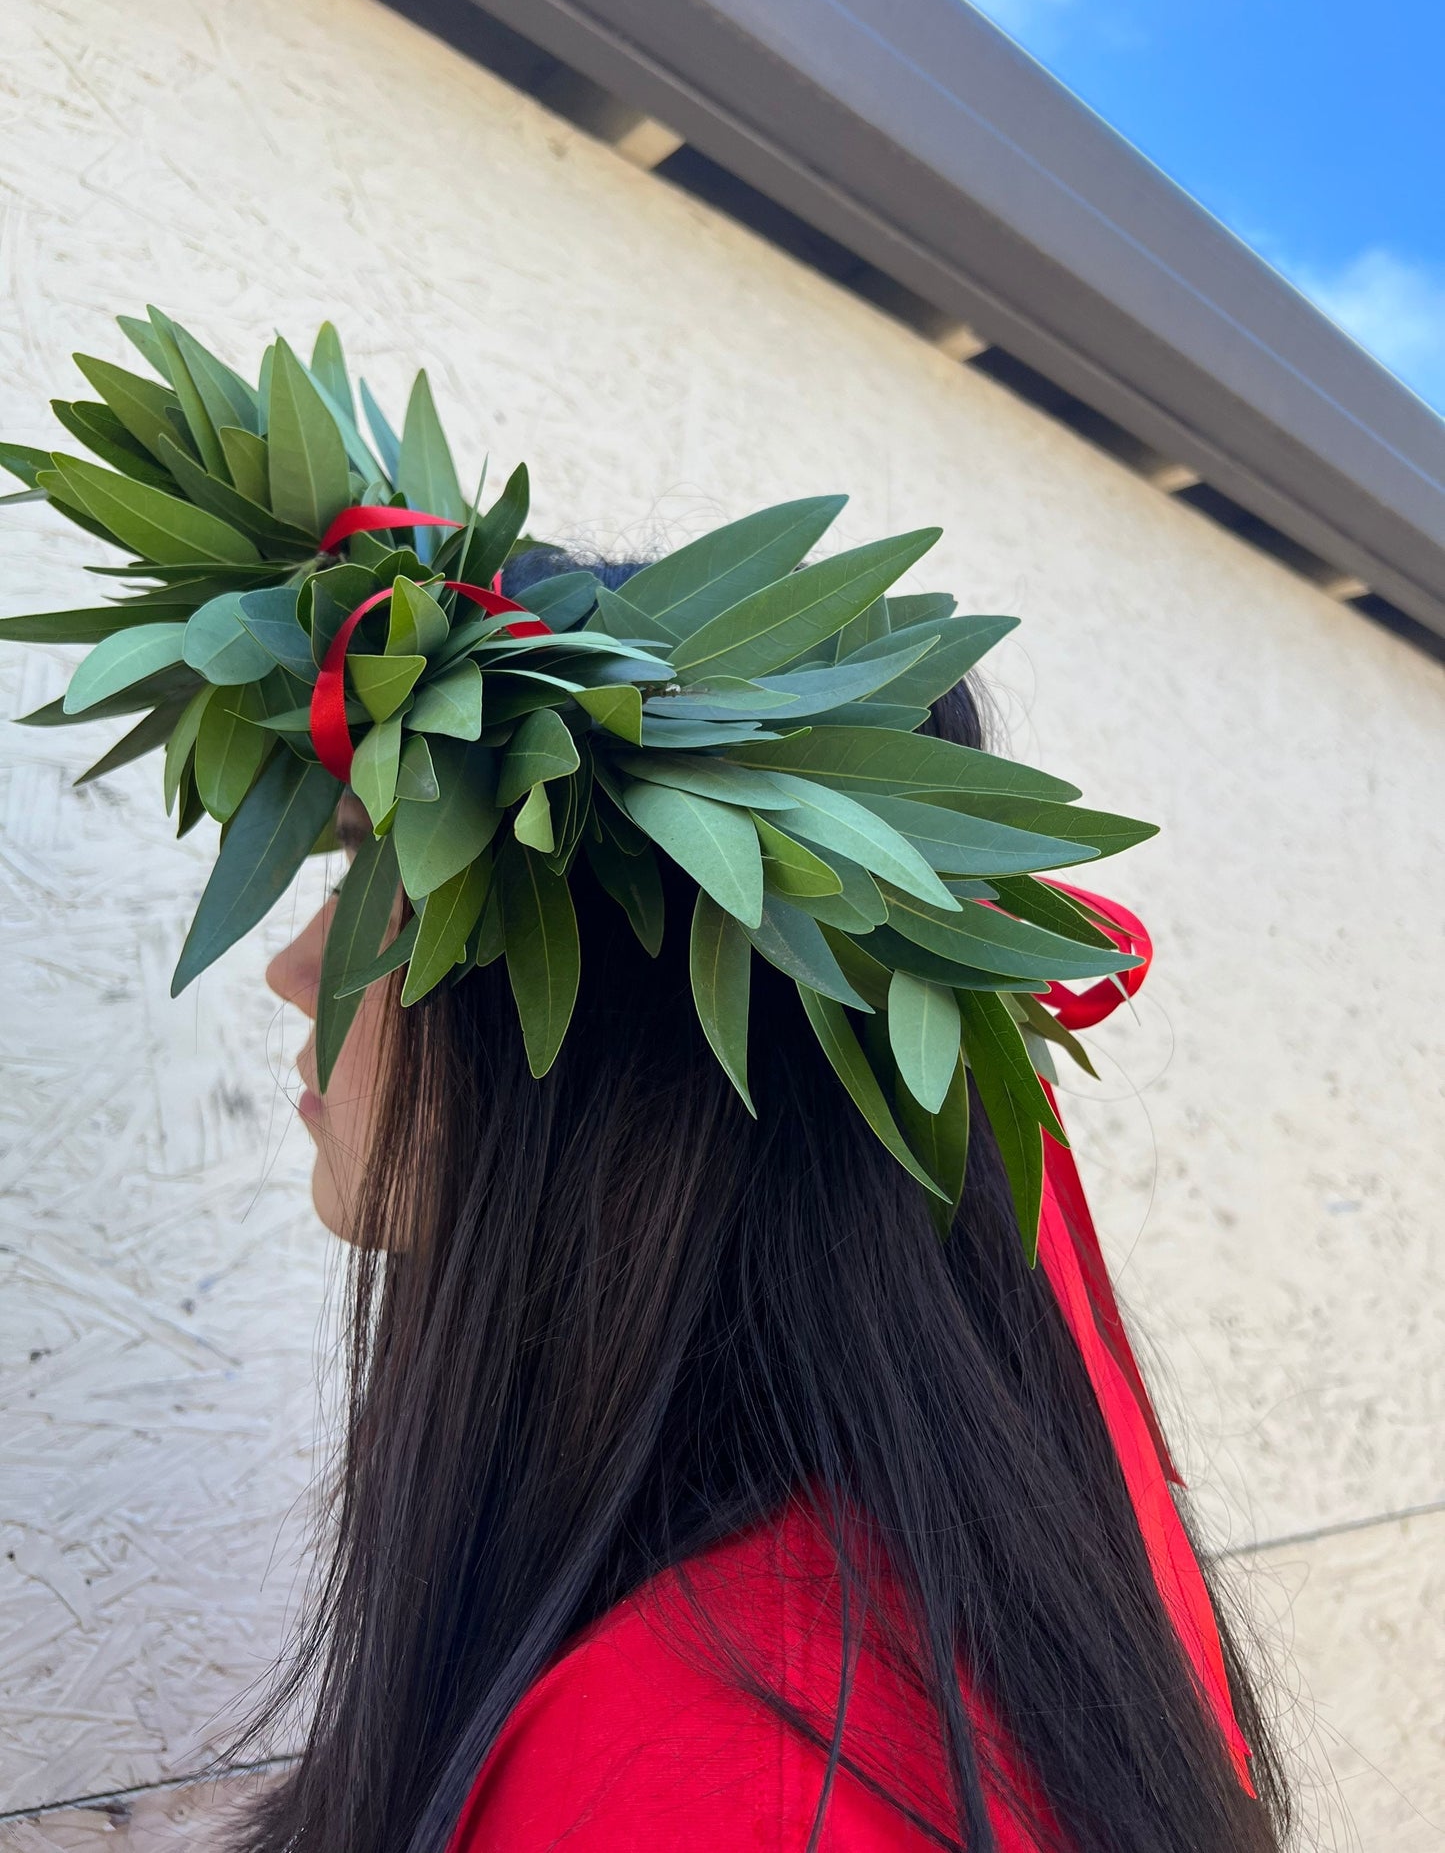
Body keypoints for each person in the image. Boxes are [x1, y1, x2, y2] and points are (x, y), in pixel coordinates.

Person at [1, 318, 1290, 1853]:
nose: (291, 971)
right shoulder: (813, 1649)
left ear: (608, 1019)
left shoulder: (722, 1773)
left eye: (369, 877)